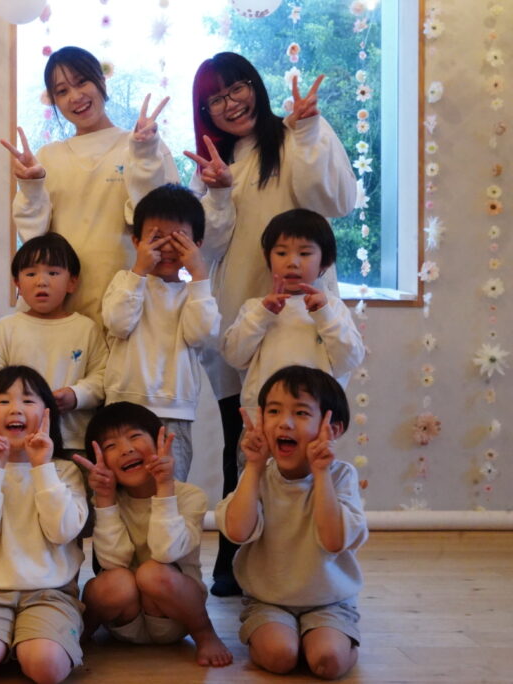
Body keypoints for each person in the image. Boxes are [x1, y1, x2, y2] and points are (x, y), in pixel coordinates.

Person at [185, 52, 356, 595]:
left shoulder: (297, 133)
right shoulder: (217, 161)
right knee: (243, 443)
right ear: (205, 111)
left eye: (236, 88)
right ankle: (235, 558)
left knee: (305, 440)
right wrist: (215, 190)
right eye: (215, 98)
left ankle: (304, 563)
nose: (230, 103)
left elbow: (336, 200)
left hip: (305, 321)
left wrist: (306, 130)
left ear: (255, 86)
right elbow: (208, 247)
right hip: (243, 317)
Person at [3, 46, 179, 324]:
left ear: (101, 81)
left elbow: (163, 225)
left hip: (129, 307)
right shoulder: (48, 157)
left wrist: (145, 155)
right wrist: (31, 186)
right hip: (62, 313)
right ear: (54, 101)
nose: (75, 97)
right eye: (62, 91)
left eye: (82, 82)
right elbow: (33, 237)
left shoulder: (142, 146)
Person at [216, 366, 367, 679]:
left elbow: (333, 541)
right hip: (268, 601)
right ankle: (292, 639)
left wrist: (321, 474)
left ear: (333, 429)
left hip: (329, 601)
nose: (284, 422)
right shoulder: (258, 475)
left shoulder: (341, 476)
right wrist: (253, 467)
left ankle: (337, 642)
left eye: (301, 413)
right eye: (273, 411)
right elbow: (237, 532)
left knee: (328, 661)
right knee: (280, 657)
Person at [0, 366, 87, 684]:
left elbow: (62, 532)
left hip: (50, 594)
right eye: (3, 401)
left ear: (48, 413)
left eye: (28, 400)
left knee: (46, 666)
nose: (15, 409)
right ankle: (8, 644)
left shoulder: (64, 471)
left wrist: (42, 468)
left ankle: (22, 644)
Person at [73, 402, 232, 667]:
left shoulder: (190, 496)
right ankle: (81, 633)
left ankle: (205, 633)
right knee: (114, 581)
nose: (126, 449)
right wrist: (105, 499)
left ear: (160, 443)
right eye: (111, 445)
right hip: (124, 620)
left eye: (135, 436)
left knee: (152, 573)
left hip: (174, 617)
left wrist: (164, 488)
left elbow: (166, 552)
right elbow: (113, 563)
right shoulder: (108, 499)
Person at [101, 184, 219, 482]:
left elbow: (201, 334)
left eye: (178, 239)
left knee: (169, 490)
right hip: (122, 406)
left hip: (174, 412)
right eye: (157, 238)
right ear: (136, 241)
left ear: (197, 244)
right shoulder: (125, 281)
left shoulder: (195, 293)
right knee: (123, 492)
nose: (167, 247)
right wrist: (138, 272)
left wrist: (199, 275)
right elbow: (118, 323)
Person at [222, 209, 365, 411]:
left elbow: (350, 359)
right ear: (268, 258)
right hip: (263, 418)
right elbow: (234, 356)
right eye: (281, 253)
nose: (292, 262)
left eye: (305, 253)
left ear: (325, 261)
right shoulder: (255, 308)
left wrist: (324, 316)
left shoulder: (332, 308)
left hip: (315, 417)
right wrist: (262, 315)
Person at [0, 233, 107, 455]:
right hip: (16, 440)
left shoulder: (86, 328)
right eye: (31, 274)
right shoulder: (7, 327)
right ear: (18, 283)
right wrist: (16, 402)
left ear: (72, 282)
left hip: (71, 440)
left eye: (53, 273)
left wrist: (76, 395)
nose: (41, 281)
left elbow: (102, 376)